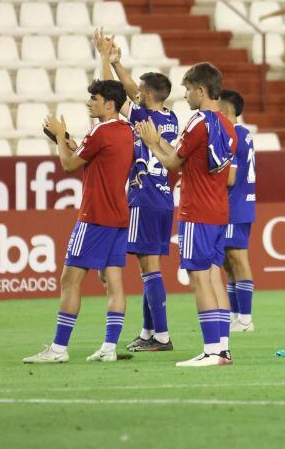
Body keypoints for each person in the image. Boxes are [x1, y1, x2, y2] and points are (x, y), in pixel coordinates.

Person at [23, 79, 133, 364]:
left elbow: (69, 164)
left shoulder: (100, 131)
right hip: (119, 216)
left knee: (70, 279)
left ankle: (59, 349)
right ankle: (109, 348)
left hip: (95, 216)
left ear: (109, 104)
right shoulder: (126, 130)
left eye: (93, 99)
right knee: (114, 281)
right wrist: (69, 141)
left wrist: (60, 137)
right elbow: (94, 156)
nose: (88, 103)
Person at [135, 63, 237, 367]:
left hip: (196, 211)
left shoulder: (197, 122)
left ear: (201, 90)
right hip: (219, 211)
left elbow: (172, 162)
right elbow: (182, 155)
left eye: (188, 89)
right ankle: (221, 348)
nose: (186, 94)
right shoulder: (227, 124)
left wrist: (151, 142)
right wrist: (159, 143)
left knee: (199, 279)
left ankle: (210, 351)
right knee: (214, 279)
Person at [97, 29, 177, 353]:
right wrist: (119, 64)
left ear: (146, 95)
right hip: (165, 199)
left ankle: (161, 336)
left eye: (140, 90)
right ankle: (147, 332)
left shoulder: (142, 115)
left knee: (149, 269)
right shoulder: (170, 117)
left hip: (143, 198)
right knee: (151, 268)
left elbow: (124, 95)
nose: (136, 92)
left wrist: (110, 61)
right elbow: (133, 90)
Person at [220, 90, 257, 333]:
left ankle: (245, 319)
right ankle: (236, 316)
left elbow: (229, 178)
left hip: (234, 205)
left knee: (238, 260)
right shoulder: (244, 133)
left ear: (225, 109)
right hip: (240, 204)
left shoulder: (231, 133)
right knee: (229, 264)